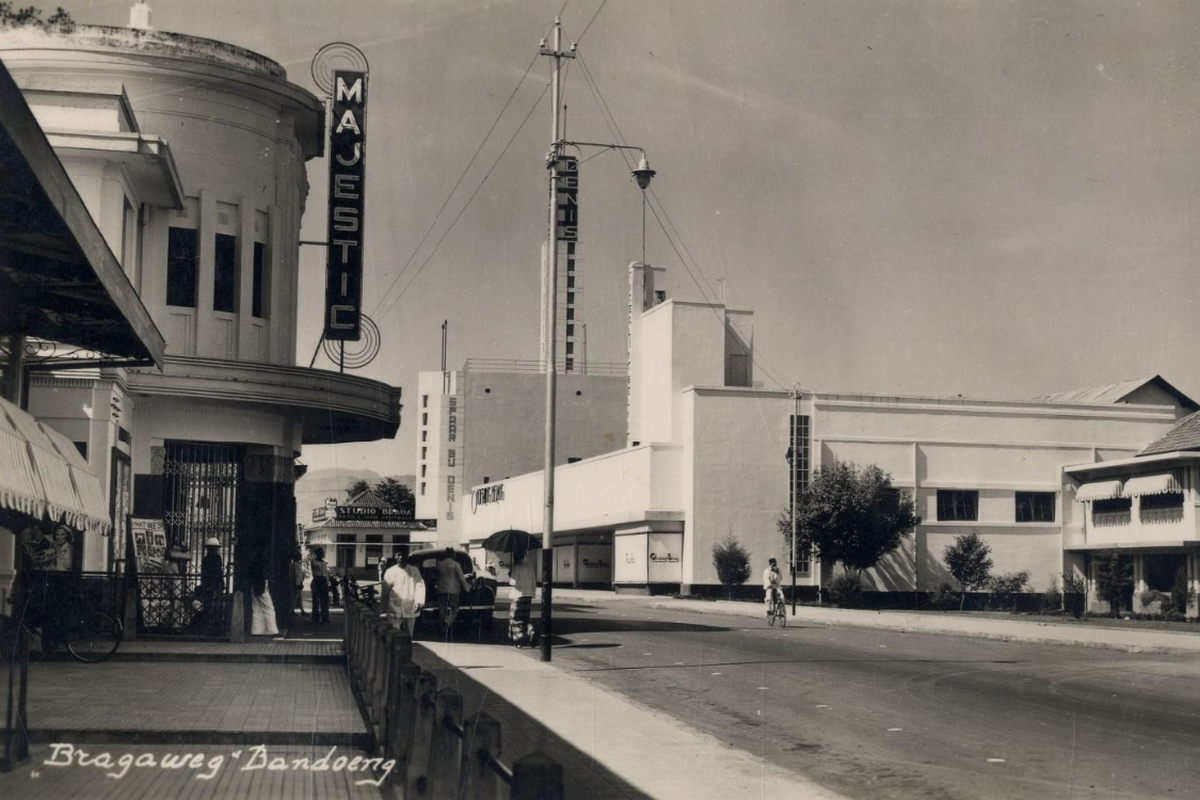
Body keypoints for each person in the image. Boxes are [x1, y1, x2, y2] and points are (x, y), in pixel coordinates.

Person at [381, 550, 425, 637]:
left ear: (407, 556)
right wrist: (384, 607)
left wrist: (419, 601)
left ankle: (408, 649)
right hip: (394, 606)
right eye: (399, 554)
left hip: (410, 606)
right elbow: (385, 591)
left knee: (409, 634)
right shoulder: (390, 571)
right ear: (395, 556)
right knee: (393, 633)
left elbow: (419, 586)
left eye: (403, 555)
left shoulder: (414, 570)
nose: (401, 557)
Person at [435, 548, 469, 636]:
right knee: (454, 608)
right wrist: (467, 588)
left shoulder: (439, 564)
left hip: (441, 589)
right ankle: (447, 622)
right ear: (453, 555)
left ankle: (440, 627)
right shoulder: (456, 564)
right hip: (454, 590)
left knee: (442, 608)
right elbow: (462, 578)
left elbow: (436, 576)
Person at [508, 548, 538, 647]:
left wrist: (510, 575)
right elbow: (534, 582)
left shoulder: (516, 567)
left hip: (518, 595)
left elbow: (513, 582)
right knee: (525, 619)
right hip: (528, 596)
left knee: (515, 619)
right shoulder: (530, 567)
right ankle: (530, 631)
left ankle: (519, 639)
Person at [200, 537, 224, 635]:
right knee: (214, 606)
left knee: (211, 606)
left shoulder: (207, 559)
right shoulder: (216, 558)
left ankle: (211, 627)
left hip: (211, 584)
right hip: (213, 584)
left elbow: (204, 573)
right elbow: (219, 572)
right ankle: (214, 628)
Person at [249, 563, 279, 636]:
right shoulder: (262, 566)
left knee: (256, 608)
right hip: (262, 587)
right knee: (269, 608)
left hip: (254, 586)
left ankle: (256, 630)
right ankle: (272, 630)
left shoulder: (254, 565)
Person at [310, 546, 330, 624]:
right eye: (320, 553)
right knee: (316, 601)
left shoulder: (324, 562)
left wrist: (327, 582)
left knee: (324, 600)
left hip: (323, 580)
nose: (321, 555)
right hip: (317, 579)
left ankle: (325, 617)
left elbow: (326, 573)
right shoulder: (313, 561)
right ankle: (315, 617)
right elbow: (316, 566)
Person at [290, 550, 306, 615]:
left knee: (297, 596)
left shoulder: (294, 564)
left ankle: (300, 610)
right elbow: (297, 575)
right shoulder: (296, 565)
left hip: (296, 582)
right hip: (297, 582)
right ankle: (293, 610)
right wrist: (299, 583)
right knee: (296, 596)